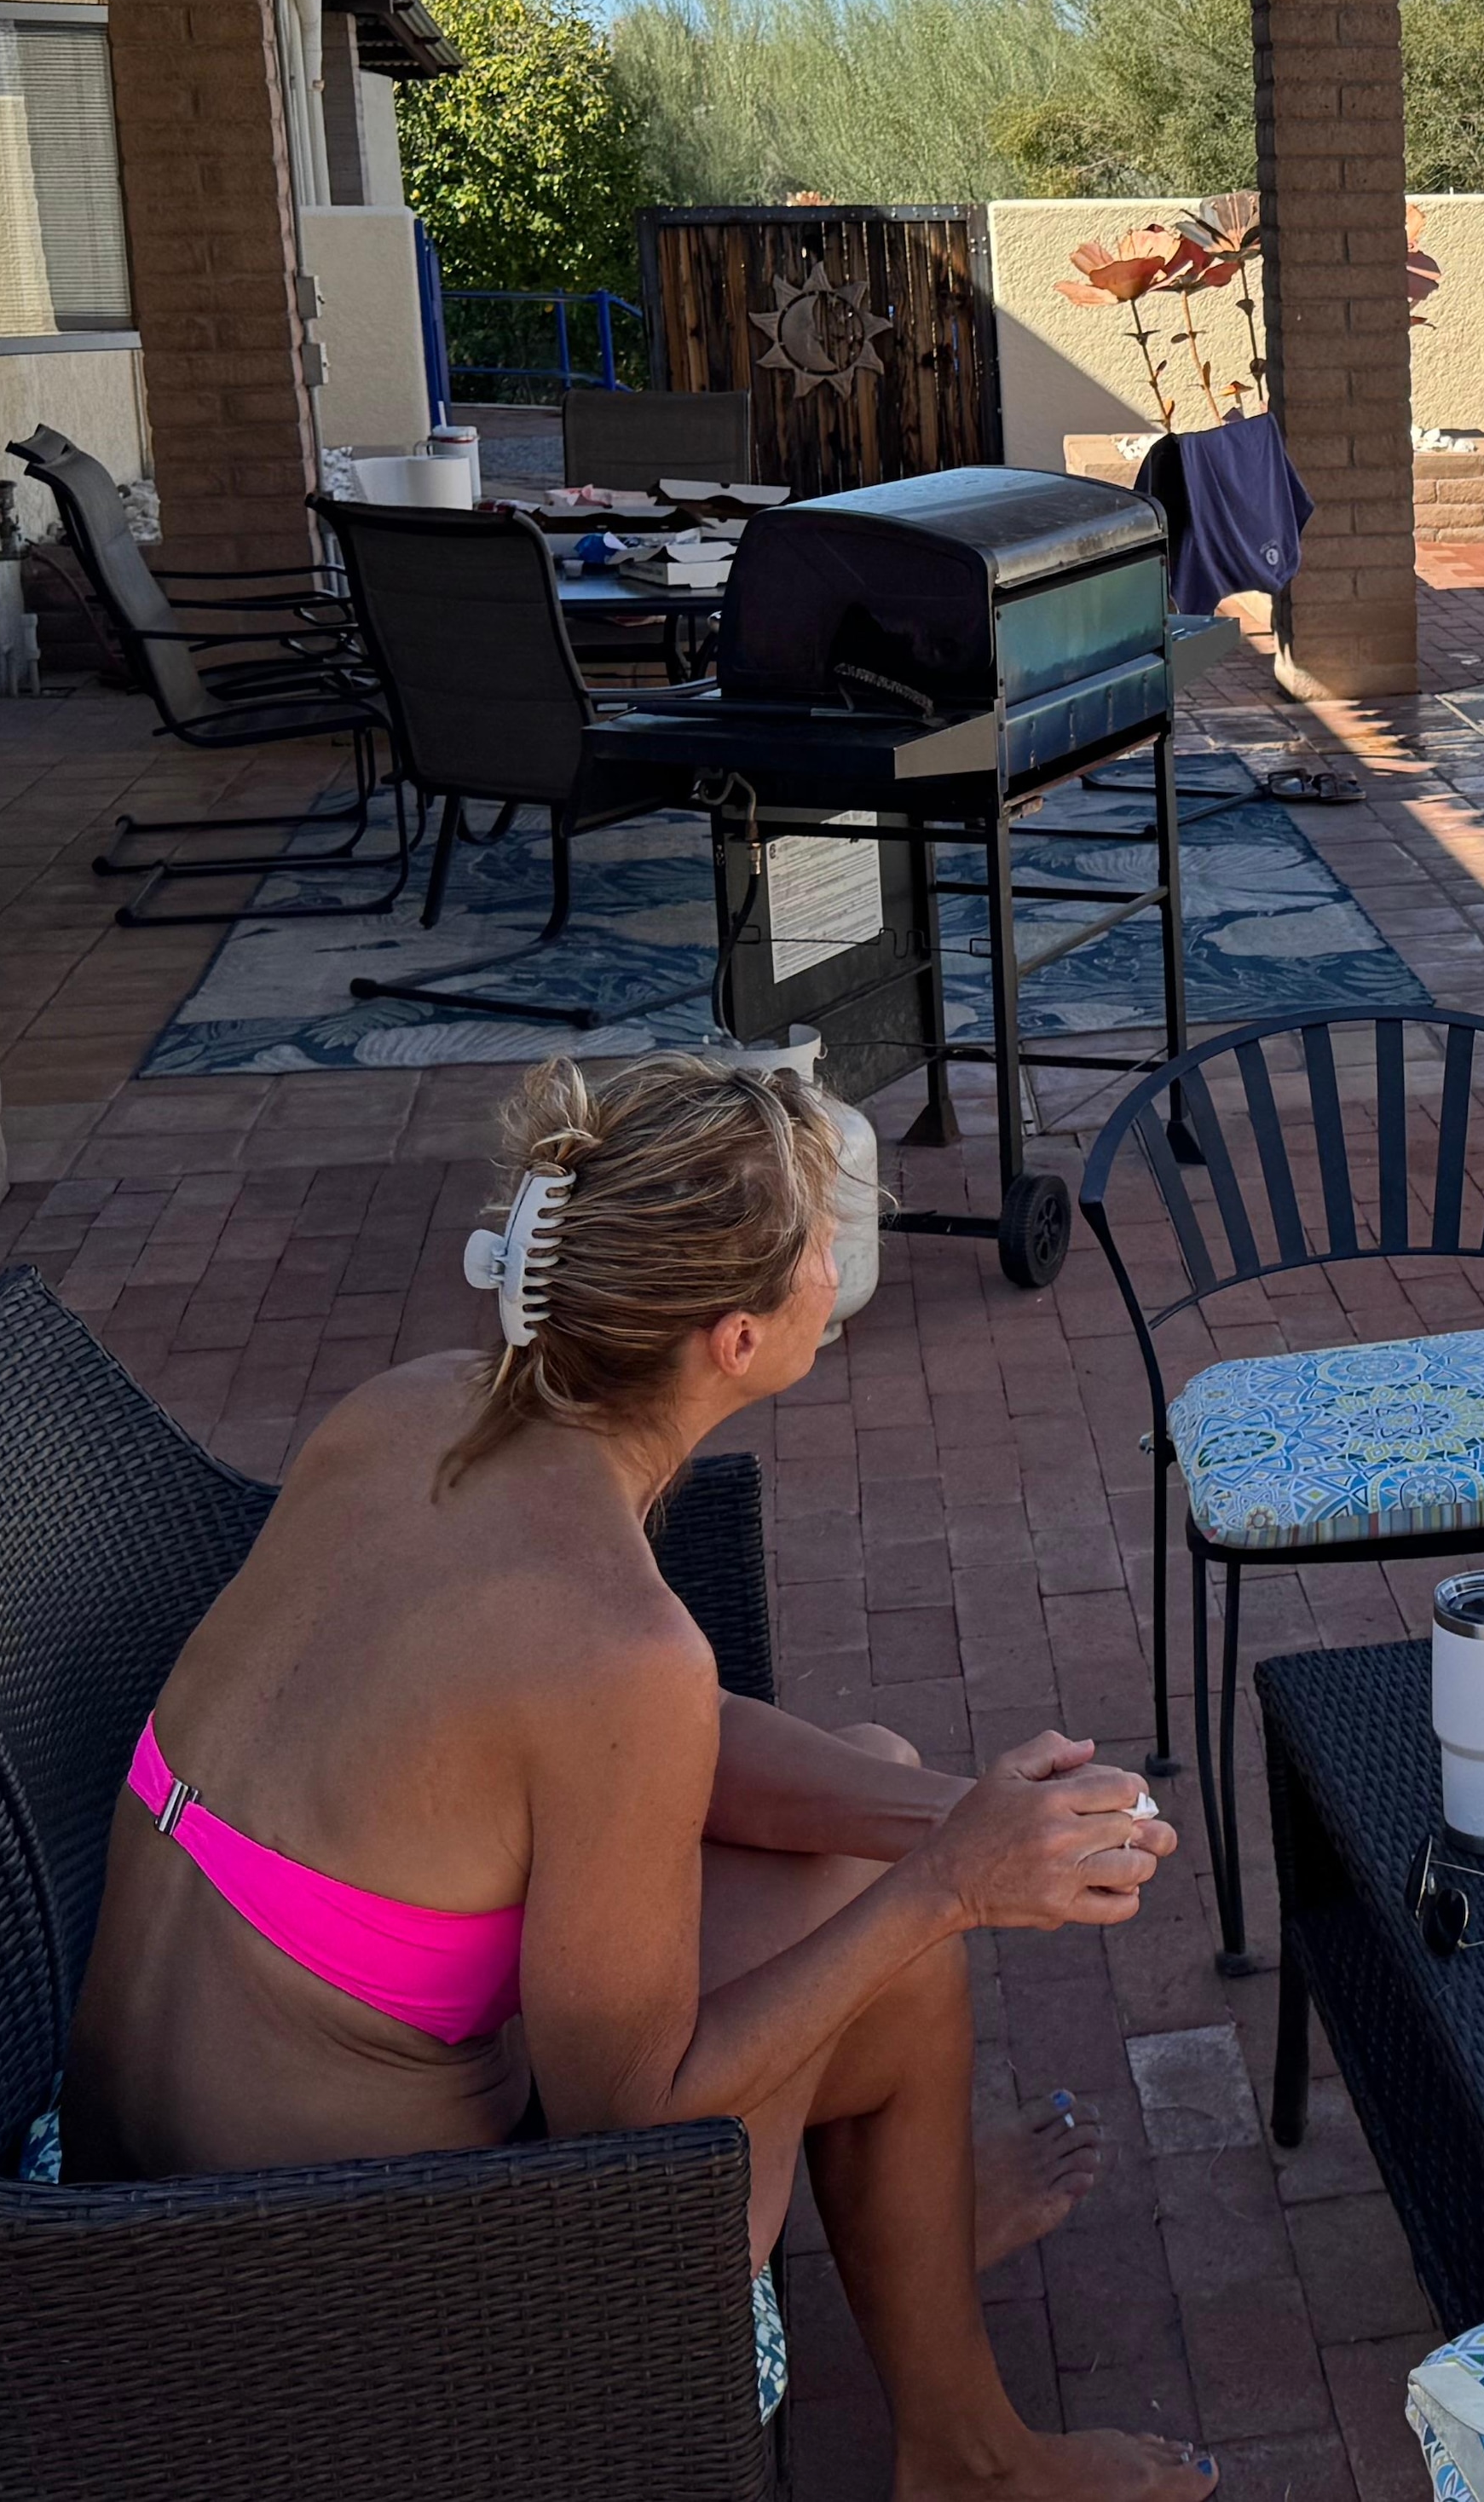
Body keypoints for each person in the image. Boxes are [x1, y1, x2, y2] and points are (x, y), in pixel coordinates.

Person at [63, 1055, 1209, 2502]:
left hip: (132, 2180)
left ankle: (911, 2240)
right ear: (736, 1338)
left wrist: (958, 1819)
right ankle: (963, 2434)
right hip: (341, 2288)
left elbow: (623, 1733)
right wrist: (950, 1884)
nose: (844, 1264)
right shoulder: (619, 1648)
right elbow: (635, 2128)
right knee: (899, 1931)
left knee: (879, 1788)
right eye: (825, 1244)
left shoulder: (415, 1411)